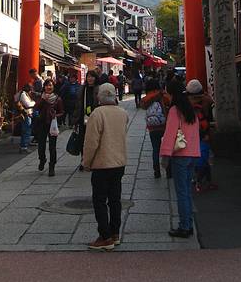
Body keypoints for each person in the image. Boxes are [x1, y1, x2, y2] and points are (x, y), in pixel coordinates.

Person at [82, 82, 128, 250]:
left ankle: (105, 236)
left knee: (100, 200)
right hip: (119, 162)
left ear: (99, 97)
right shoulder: (123, 113)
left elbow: (91, 142)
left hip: (102, 163)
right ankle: (115, 233)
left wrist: (87, 162)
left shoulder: (97, 114)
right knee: (115, 199)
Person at [160, 77, 200, 238]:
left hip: (180, 155)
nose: (166, 96)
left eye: (167, 93)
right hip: (193, 154)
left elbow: (170, 134)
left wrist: (165, 155)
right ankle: (188, 224)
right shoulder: (190, 110)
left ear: (172, 94)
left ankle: (184, 226)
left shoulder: (174, 111)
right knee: (187, 191)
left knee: (181, 192)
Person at [186, 79, 216, 192]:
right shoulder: (206, 100)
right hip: (203, 133)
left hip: (194, 134)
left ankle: (199, 180)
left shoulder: (187, 103)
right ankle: (204, 181)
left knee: (199, 159)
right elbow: (209, 118)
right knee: (203, 158)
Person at [139, 78, 171, 179]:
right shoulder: (163, 95)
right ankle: (169, 171)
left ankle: (156, 171)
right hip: (164, 126)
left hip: (152, 128)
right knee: (167, 148)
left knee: (155, 149)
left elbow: (142, 105)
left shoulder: (147, 97)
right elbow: (170, 103)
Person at [34, 78, 64, 177]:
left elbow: (61, 112)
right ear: (44, 87)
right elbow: (36, 107)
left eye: (50, 85)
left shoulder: (57, 99)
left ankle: (52, 166)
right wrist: (43, 100)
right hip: (42, 123)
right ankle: (42, 159)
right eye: (47, 85)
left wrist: (56, 116)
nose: (49, 87)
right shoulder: (41, 97)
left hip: (52, 124)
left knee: (52, 147)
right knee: (41, 145)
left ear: (53, 87)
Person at [73, 69, 99, 170]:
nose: (90, 79)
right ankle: (83, 160)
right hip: (83, 118)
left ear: (95, 78)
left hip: (95, 118)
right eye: (88, 76)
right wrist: (75, 118)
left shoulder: (98, 89)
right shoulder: (82, 89)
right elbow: (77, 104)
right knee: (82, 140)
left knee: (93, 140)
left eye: (92, 77)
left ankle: (93, 161)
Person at [14, 83, 35, 153]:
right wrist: (34, 102)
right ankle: (24, 146)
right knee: (27, 130)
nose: (31, 92)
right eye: (30, 90)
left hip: (24, 114)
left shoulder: (20, 93)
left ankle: (24, 145)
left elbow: (15, 99)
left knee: (25, 130)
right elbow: (28, 104)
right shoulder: (23, 94)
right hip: (26, 114)